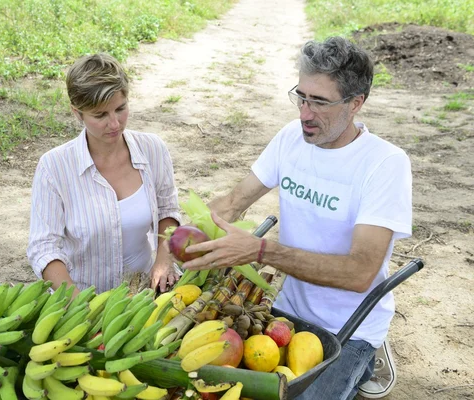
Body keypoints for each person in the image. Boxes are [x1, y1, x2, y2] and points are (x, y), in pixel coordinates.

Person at [180, 37, 412, 400]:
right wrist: (179, 238)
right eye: (301, 97)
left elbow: (359, 273)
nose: (304, 113)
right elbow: (233, 202)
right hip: (283, 311)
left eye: (319, 102)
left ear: (355, 104)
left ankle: (366, 357)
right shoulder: (292, 138)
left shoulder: (385, 164)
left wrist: (260, 251)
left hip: (345, 326)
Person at [27, 53, 182, 296]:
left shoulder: (152, 149)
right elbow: (44, 247)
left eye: (120, 109)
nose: (114, 124)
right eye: (100, 115)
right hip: (81, 298)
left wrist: (163, 259)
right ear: (77, 113)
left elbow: (167, 210)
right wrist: (79, 304)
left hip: (145, 291)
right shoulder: (54, 167)